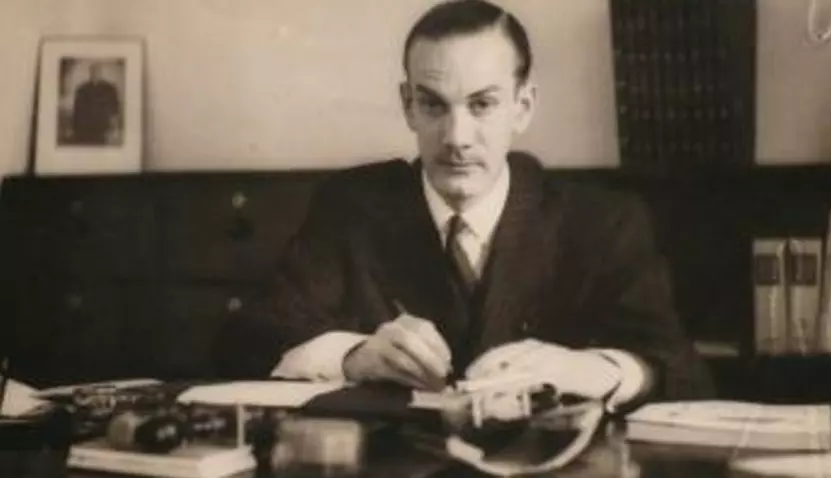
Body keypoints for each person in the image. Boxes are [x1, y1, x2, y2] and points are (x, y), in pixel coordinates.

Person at [215, 0, 713, 409]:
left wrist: (591, 369)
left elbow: (683, 374)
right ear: (408, 105)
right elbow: (246, 340)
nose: (456, 137)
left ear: (523, 107)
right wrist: (353, 356)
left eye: (482, 104)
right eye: (433, 104)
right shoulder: (352, 208)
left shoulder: (602, 222)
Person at [71, 63, 121, 145]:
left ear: (101, 73)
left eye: (97, 71)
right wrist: (74, 126)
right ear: (90, 73)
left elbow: (115, 108)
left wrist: (114, 126)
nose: (95, 74)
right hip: (85, 127)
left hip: (102, 126)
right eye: (93, 71)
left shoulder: (109, 89)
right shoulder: (82, 89)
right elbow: (77, 109)